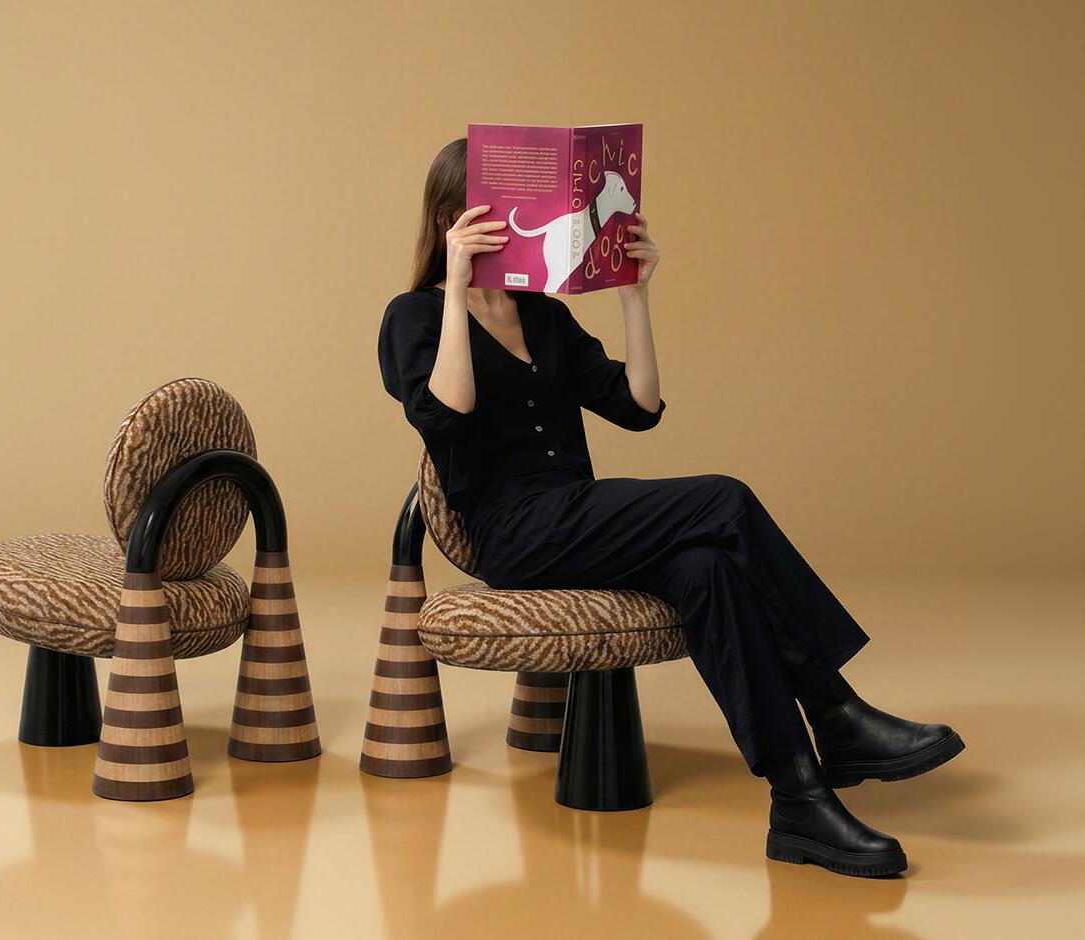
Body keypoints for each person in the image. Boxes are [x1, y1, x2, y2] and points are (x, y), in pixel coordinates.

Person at [377, 137, 965, 878]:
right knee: (725, 499)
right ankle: (836, 710)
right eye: (489, 212)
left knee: (706, 568)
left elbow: (640, 406)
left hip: (578, 515)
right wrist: (458, 289)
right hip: (514, 536)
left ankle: (799, 799)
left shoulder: (545, 315)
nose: (508, 224)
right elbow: (447, 411)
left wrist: (634, 292)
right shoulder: (412, 317)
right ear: (449, 218)